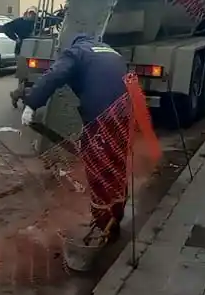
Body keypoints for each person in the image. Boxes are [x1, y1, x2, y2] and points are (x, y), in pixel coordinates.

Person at [21, 33, 131, 244]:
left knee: (96, 166)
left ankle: (103, 222)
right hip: (124, 114)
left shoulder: (76, 52)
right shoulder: (111, 52)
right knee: (117, 164)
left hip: (101, 116)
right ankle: (115, 218)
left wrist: (32, 104)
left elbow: (53, 76)